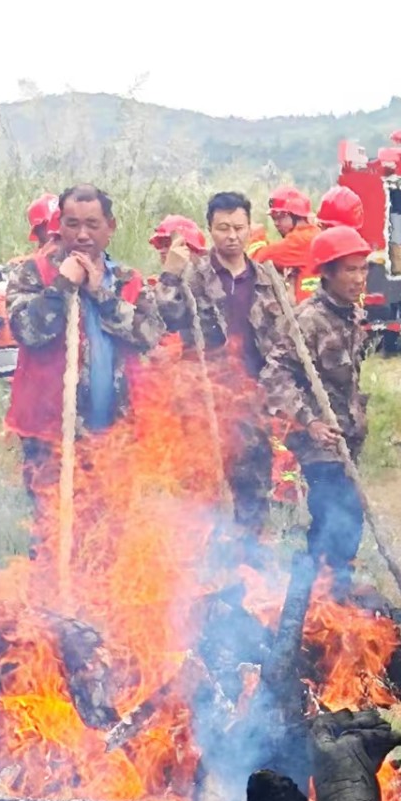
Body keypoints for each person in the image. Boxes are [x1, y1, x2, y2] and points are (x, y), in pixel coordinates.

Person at [6, 185, 165, 513]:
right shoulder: (34, 273)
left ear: (110, 226)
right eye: (72, 224)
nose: (82, 234)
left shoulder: (127, 280)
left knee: (109, 526)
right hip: (49, 434)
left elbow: (150, 334)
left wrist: (102, 296)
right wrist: (61, 285)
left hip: (113, 431)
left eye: (92, 224)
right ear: (59, 226)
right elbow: (28, 331)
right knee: (53, 524)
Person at [153, 192, 287, 542]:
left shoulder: (267, 279)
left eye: (239, 228)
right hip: (205, 403)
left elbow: (284, 341)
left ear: (250, 229)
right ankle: (209, 564)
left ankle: (252, 560)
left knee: (253, 489)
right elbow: (162, 320)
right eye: (223, 228)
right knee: (204, 491)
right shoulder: (192, 277)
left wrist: (278, 394)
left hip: (253, 401)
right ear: (210, 229)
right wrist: (169, 275)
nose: (232, 236)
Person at [260, 226, 373, 581]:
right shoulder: (307, 320)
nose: (359, 278)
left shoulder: (352, 313)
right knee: (336, 515)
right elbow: (274, 376)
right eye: (350, 270)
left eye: (363, 269)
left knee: (346, 518)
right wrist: (310, 421)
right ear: (327, 273)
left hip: (345, 436)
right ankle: (315, 590)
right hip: (318, 441)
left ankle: (334, 590)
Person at [252, 186, 320, 299]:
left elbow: (257, 258)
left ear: (295, 215)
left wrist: (256, 234)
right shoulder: (313, 233)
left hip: (307, 308)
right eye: (273, 218)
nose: (276, 223)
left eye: (279, 217)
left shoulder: (298, 241)